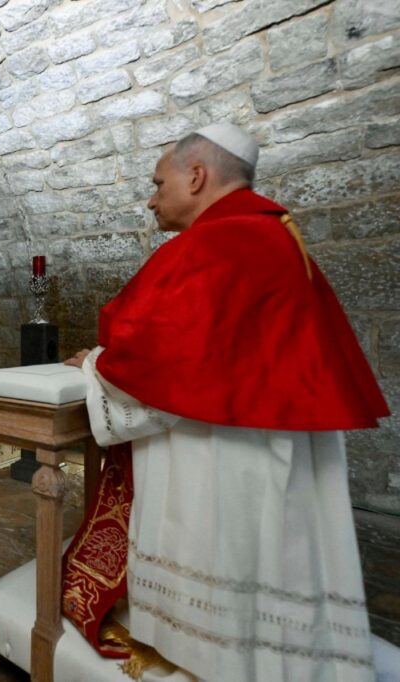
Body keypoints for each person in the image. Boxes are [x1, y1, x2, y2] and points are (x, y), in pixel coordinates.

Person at [63, 123, 389, 681]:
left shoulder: (215, 244)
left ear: (196, 176)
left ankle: (213, 656)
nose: (150, 197)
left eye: (157, 182)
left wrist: (95, 365)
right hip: (269, 438)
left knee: (228, 549)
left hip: (224, 452)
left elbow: (156, 354)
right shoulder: (274, 235)